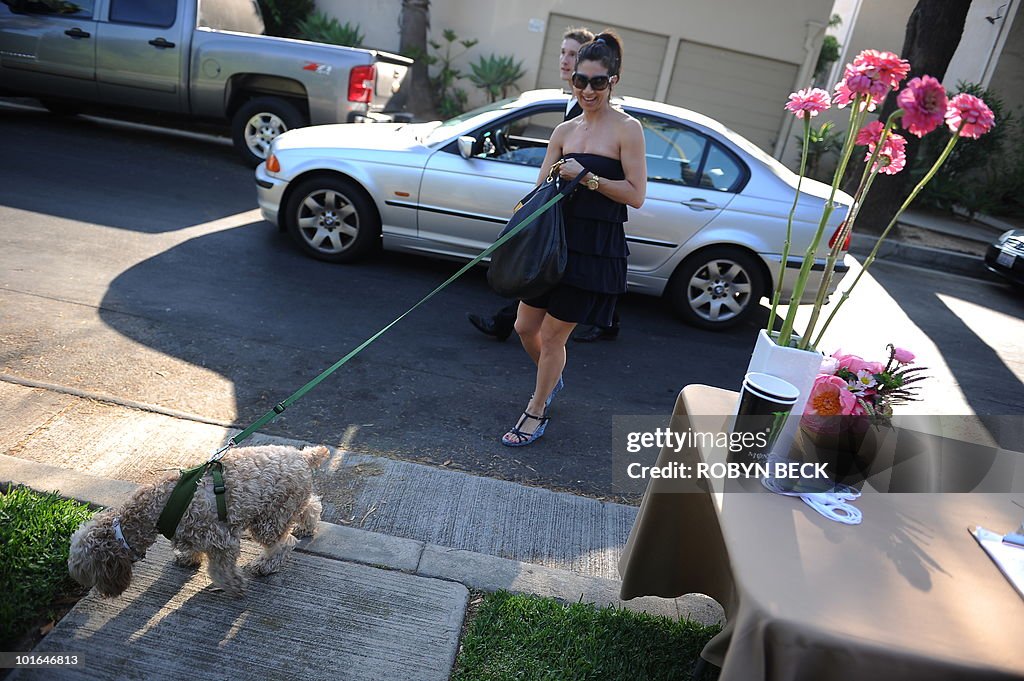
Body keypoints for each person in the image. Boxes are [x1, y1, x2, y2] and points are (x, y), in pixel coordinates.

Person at [501, 31, 646, 446]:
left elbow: (636, 195)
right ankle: (552, 379)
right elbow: (539, 188)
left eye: (597, 82)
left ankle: (536, 409)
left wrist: (589, 177)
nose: (587, 90)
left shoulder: (627, 129)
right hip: (552, 243)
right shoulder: (563, 130)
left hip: (593, 247)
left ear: (612, 81)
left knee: (551, 336)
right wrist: (520, 221)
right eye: (580, 81)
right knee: (524, 326)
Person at [468, 26, 622, 344]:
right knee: (539, 302)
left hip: (578, 222)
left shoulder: (595, 110)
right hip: (564, 215)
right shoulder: (571, 107)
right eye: (562, 53)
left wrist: (584, 177)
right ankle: (512, 324)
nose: (564, 61)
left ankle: (510, 327)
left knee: (546, 285)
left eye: (571, 54)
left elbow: (595, 170)